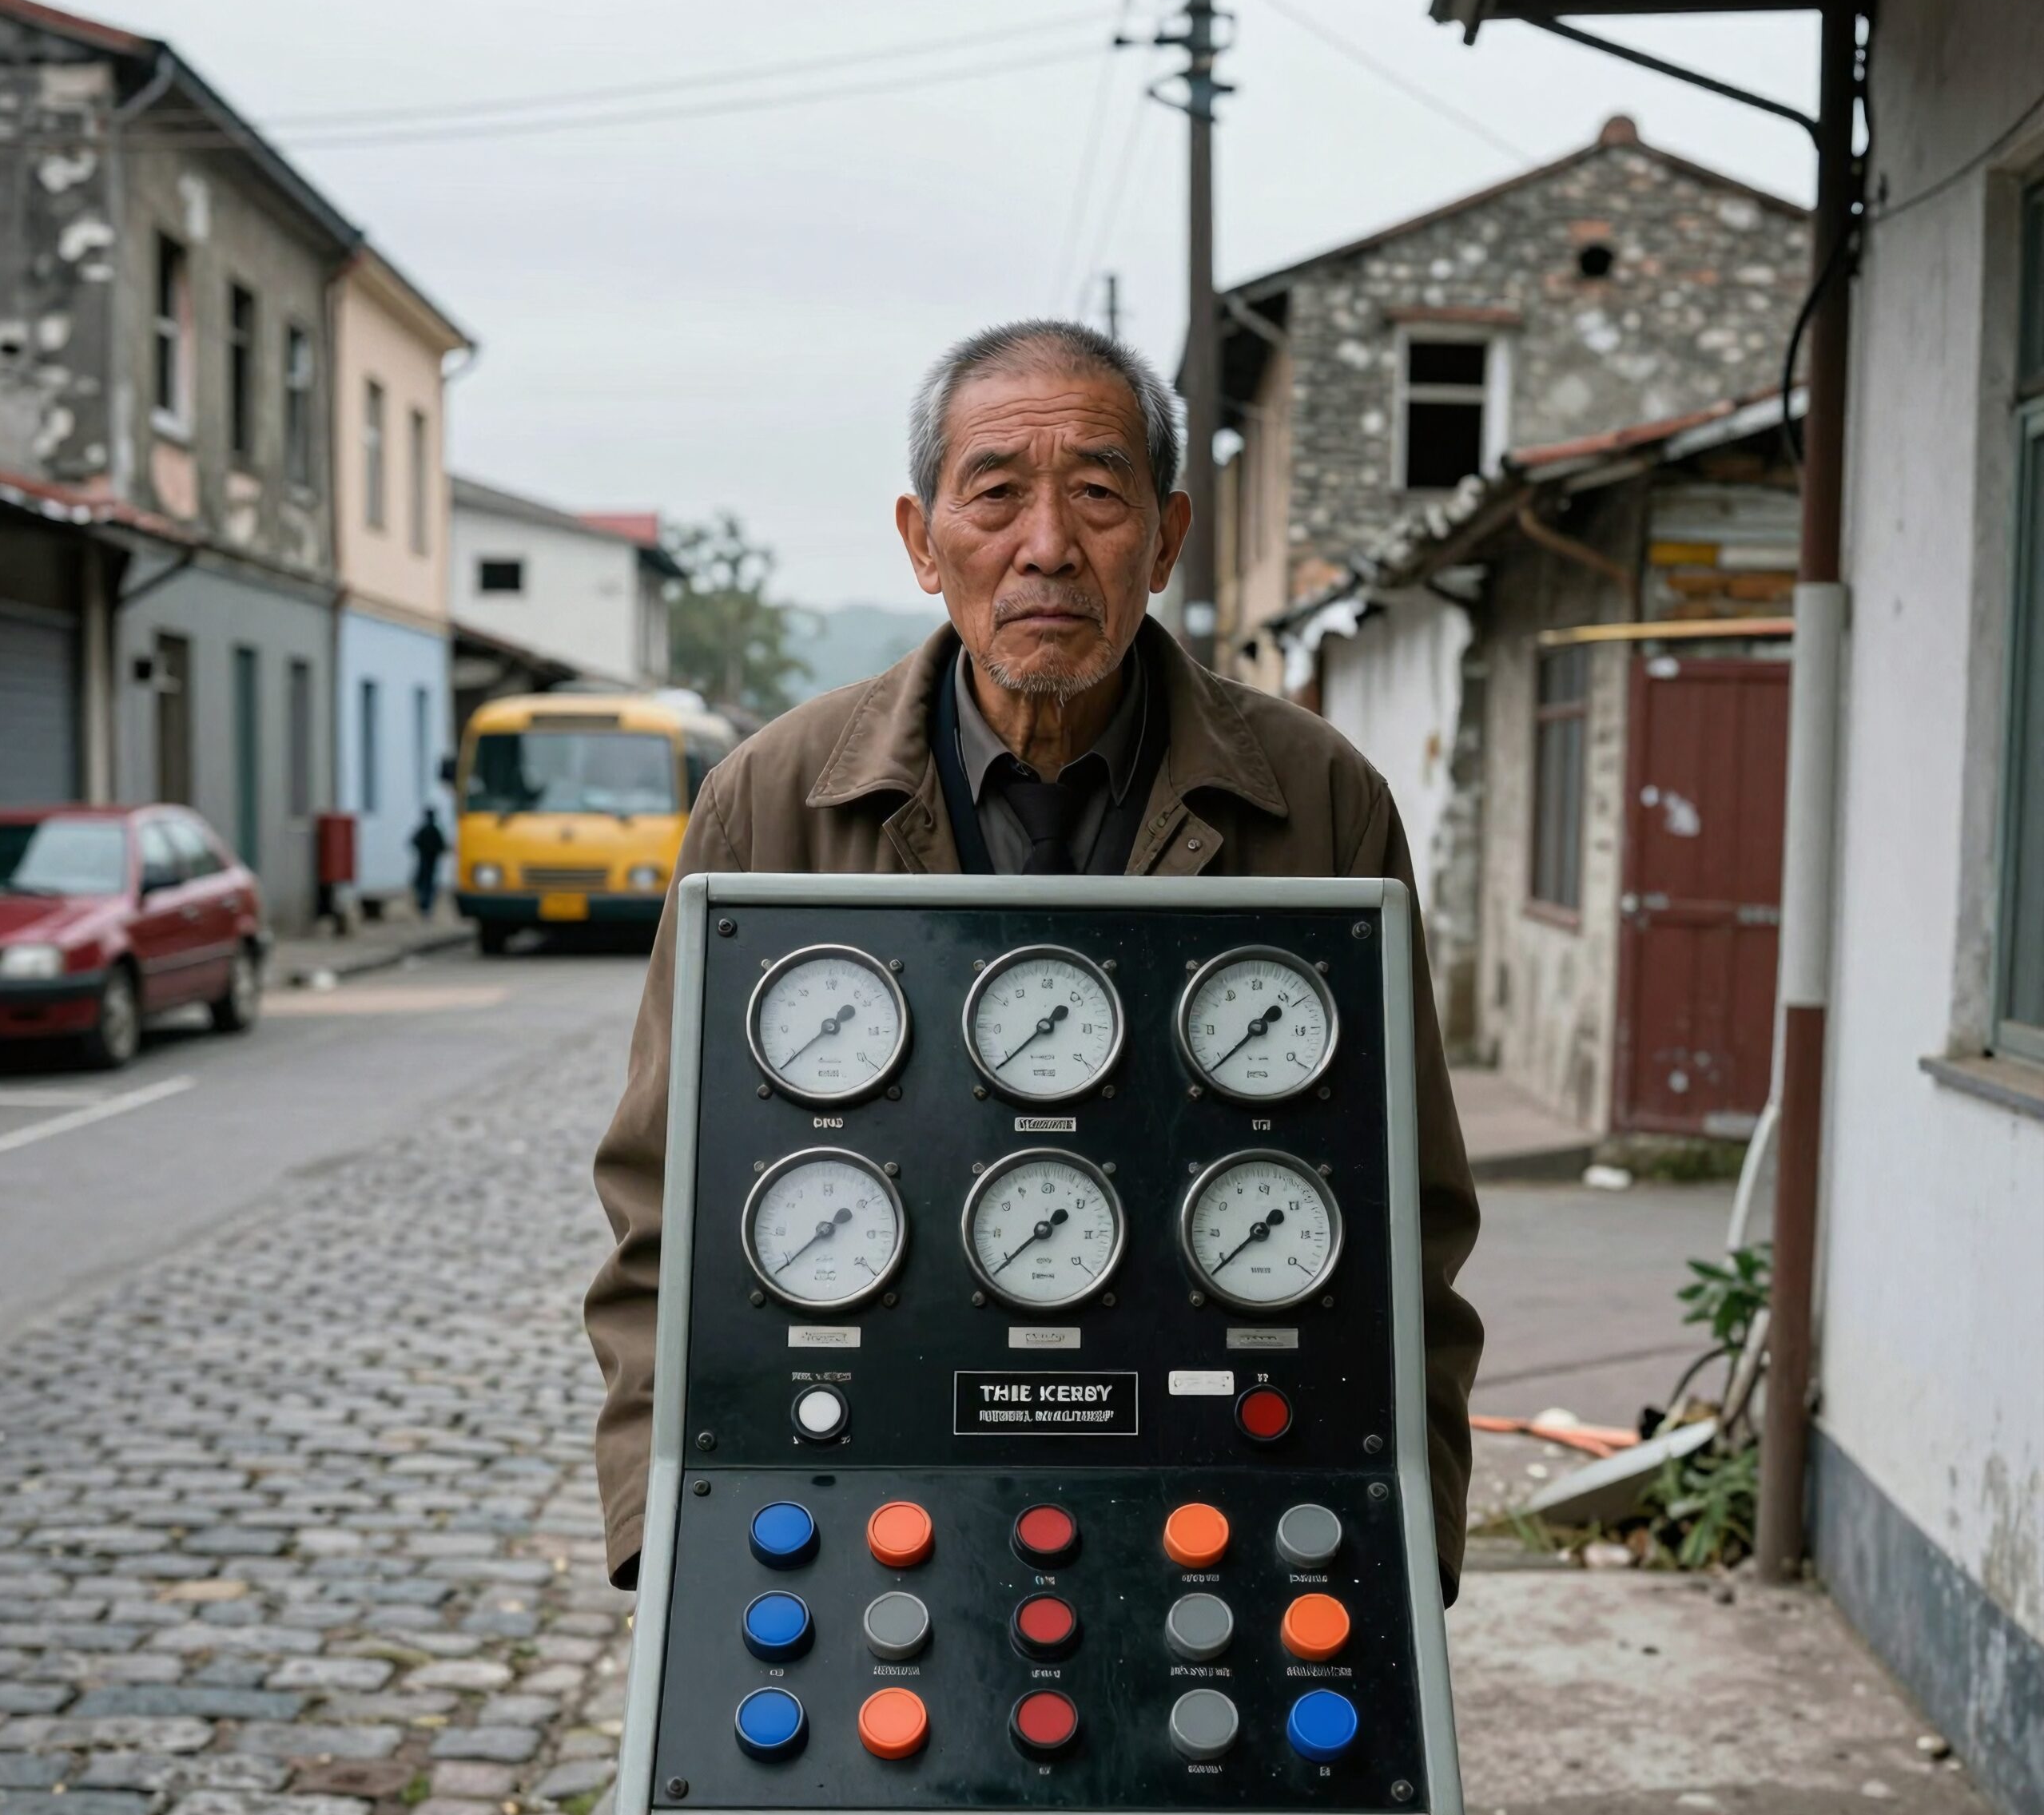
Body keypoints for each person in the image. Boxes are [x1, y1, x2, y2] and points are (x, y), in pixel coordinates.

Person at [584, 320, 1481, 1597]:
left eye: (1100, 496)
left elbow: (1413, 1214)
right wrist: (658, 1527)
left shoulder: (1319, 802)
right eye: (996, 493)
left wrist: (1410, 1532)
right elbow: (658, 1205)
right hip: (864, 1484)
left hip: (1218, 1485)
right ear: (920, 537)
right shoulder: (772, 801)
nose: (1047, 546)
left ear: (1167, 541)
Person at [410, 804, 447, 919]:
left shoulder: (431, 830)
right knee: (423, 885)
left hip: (429, 863)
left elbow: (441, 846)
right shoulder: (428, 829)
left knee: (427, 885)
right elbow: (414, 841)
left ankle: (425, 906)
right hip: (426, 862)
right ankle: (424, 905)